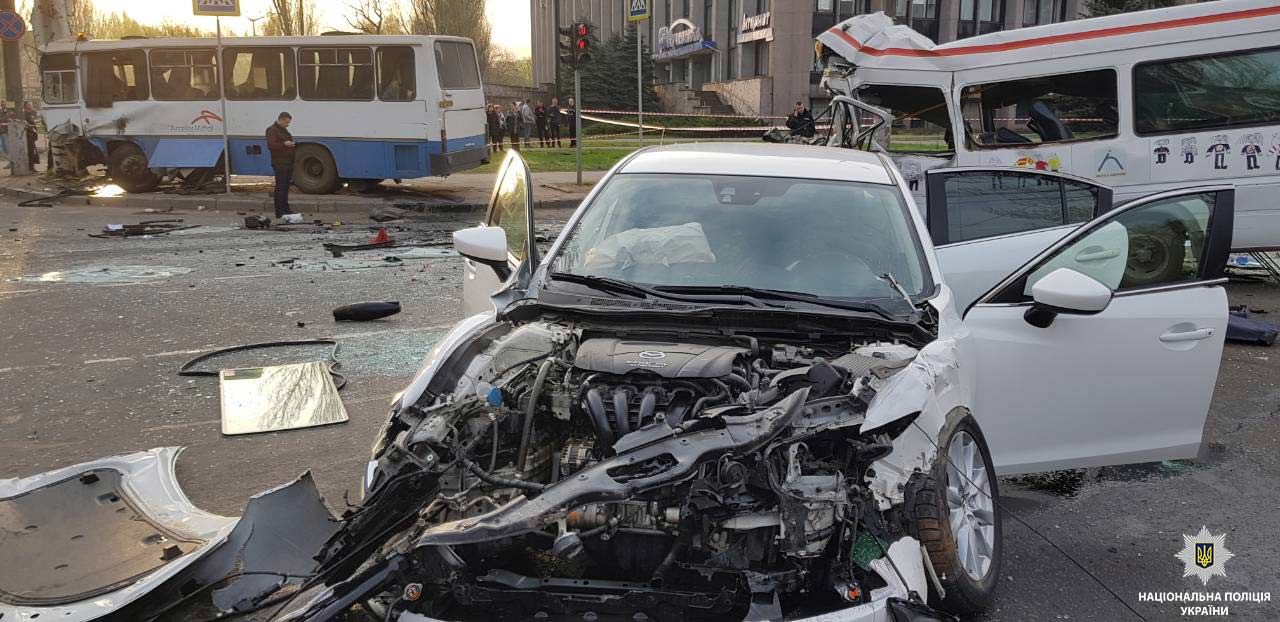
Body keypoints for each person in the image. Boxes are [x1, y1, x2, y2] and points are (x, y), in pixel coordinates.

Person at [265, 112, 297, 218]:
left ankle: (286, 209)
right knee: (280, 187)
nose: (288, 124)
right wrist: (284, 144)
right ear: (281, 120)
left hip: (288, 162)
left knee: (286, 187)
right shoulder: (272, 130)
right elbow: (271, 145)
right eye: (287, 122)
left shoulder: (283, 130)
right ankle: (279, 211)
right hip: (280, 162)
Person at [23, 102, 38, 171]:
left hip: (32, 135)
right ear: (26, 106)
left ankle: (32, 167)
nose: (32, 106)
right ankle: (31, 168)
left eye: (32, 104)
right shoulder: (24, 114)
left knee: (33, 151)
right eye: (30, 104)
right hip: (28, 135)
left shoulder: (31, 114)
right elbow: (26, 125)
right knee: (31, 151)